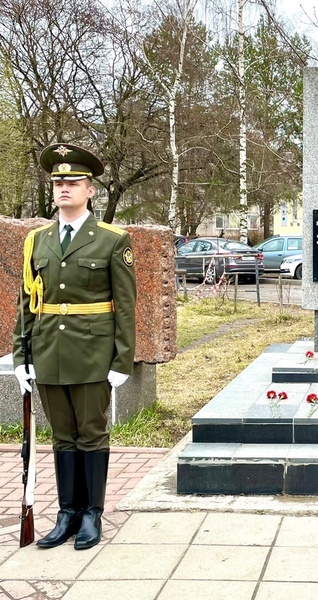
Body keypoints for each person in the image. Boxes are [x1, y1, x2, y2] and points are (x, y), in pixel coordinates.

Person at [13, 143, 137, 550]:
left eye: (74, 182)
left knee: (91, 433)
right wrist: (22, 356)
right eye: (59, 182)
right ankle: (66, 512)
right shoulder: (38, 241)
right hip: (48, 352)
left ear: (91, 190)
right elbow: (27, 301)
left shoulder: (111, 240)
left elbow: (125, 305)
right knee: (61, 436)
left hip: (92, 354)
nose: (64, 187)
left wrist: (121, 359)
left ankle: (91, 515)